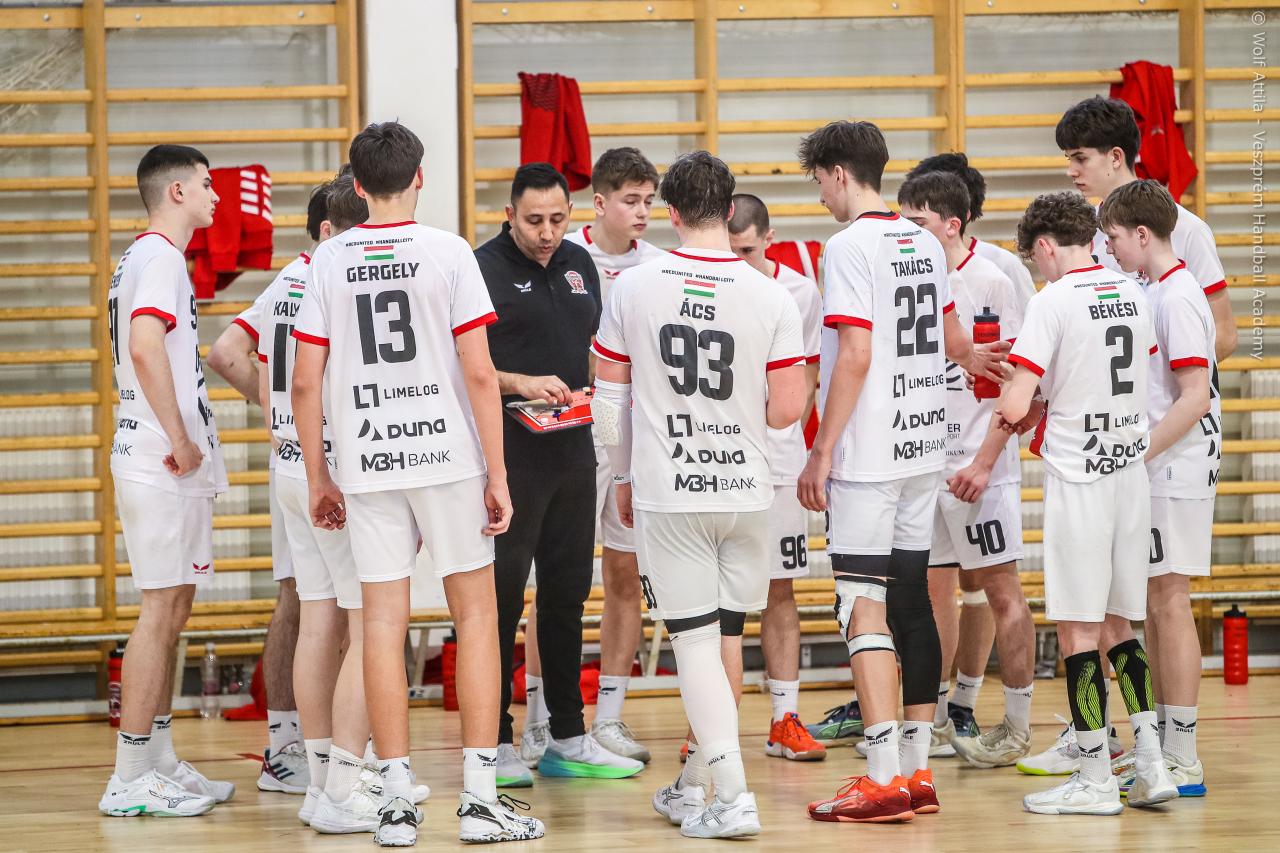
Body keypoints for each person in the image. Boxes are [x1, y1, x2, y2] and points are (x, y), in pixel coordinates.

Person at [292, 121, 544, 846]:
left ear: (357, 184)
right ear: (421, 178)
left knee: (380, 623)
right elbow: (478, 372)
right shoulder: (449, 251)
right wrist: (498, 473)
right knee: (477, 617)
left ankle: (396, 800)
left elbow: (305, 381)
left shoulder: (329, 258)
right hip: (447, 458)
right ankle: (480, 798)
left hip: (368, 461)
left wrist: (319, 475)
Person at [795, 120, 1007, 824]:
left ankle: (881, 774)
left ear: (838, 173)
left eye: (819, 181)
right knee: (912, 601)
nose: (821, 195)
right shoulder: (922, 240)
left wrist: (822, 449)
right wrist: (973, 360)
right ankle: (917, 772)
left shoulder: (847, 246)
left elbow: (854, 354)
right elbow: (952, 337)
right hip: (923, 448)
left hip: (870, 455)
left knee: (861, 604)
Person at [593, 150, 807, 838]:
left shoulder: (634, 286)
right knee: (724, 639)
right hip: (747, 491)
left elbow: (608, 405)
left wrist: (621, 476)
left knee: (693, 644)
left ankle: (734, 795)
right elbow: (787, 409)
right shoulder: (772, 293)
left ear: (673, 212)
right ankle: (693, 787)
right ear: (729, 207)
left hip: (672, 490)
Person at [1001, 191, 1178, 815]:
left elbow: (1016, 404)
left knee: (1078, 628)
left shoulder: (1051, 301)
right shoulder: (1133, 292)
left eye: (1034, 259)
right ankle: (1151, 763)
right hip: (1130, 474)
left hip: (1079, 477)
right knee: (1120, 626)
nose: (1038, 269)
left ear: (1046, 247)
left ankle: (1096, 777)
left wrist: (1009, 394)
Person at [475, 163, 644, 788]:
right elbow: (461, 366)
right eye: (533, 221)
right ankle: (493, 741)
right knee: (498, 602)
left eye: (556, 220)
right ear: (509, 216)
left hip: (574, 453)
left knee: (568, 595)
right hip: (509, 461)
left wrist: (596, 389)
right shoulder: (480, 268)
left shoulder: (579, 264)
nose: (546, 233)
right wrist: (519, 383)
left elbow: (591, 352)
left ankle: (567, 736)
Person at [99, 144, 231, 817]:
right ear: (177, 191)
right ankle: (128, 776)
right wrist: (180, 437)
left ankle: (157, 759)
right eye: (207, 184)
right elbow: (145, 345)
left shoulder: (149, 257)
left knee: (174, 607)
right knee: (158, 612)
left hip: (162, 459)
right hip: (158, 458)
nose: (216, 195)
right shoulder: (159, 258)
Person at [897, 170, 1038, 768]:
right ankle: (931, 721)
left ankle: (1018, 725)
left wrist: (985, 459)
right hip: (925, 461)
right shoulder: (909, 277)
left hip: (982, 466)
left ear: (951, 224)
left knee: (1002, 591)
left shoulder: (995, 279)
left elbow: (1021, 383)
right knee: (931, 595)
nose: (907, 232)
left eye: (918, 222)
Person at [207, 184, 329, 796]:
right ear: (330, 230)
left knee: (297, 599)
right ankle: (330, 753)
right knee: (340, 606)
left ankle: (287, 746)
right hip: (326, 464)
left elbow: (225, 353)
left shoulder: (284, 282)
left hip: (288, 460)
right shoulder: (329, 281)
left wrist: (274, 405)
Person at [1098, 179, 1217, 800]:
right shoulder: (1156, 289)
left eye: (1115, 237)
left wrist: (1134, 451)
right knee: (1154, 599)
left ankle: (1184, 755)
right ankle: (1167, 747)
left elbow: (1194, 397)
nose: (1111, 249)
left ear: (1142, 234)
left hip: (1176, 465)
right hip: (1163, 463)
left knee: (1170, 599)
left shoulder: (1176, 295)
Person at [550, 147, 667, 765]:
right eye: (630, 200)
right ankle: (543, 719)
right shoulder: (564, 255)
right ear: (599, 203)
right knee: (558, 582)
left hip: (633, 438)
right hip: (571, 432)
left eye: (649, 200)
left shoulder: (662, 267)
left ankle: (611, 717)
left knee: (625, 576)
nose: (643, 211)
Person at [726, 193, 827, 762]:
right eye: (730, 250)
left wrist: (791, 441)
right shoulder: (714, 287)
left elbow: (808, 377)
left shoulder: (799, 292)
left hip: (780, 459)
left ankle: (784, 719)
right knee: (718, 598)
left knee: (779, 589)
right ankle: (711, 726)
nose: (738, 261)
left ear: (769, 239)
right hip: (719, 460)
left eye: (747, 250)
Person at [1056, 96, 1235, 362]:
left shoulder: (1187, 229)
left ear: (1116, 157)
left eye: (1080, 158)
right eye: (1069, 158)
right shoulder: (1081, 233)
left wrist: (1170, 380)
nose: (1071, 171)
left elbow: (1225, 335)